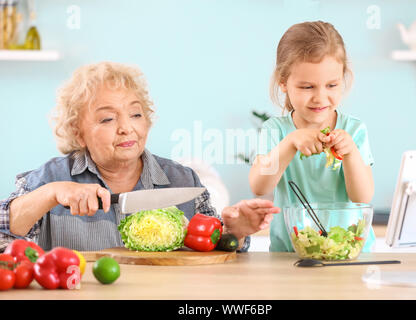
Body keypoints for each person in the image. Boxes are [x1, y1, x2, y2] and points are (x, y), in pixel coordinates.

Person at [0, 61, 280, 252]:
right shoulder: (50, 179)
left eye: (136, 114)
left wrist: (236, 231)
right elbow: (4, 236)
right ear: (78, 132)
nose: (126, 128)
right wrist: (51, 194)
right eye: (107, 119)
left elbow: (215, 247)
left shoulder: (182, 181)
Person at [249, 21, 375, 252]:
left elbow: (362, 196)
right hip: (291, 254)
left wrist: (350, 153)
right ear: (283, 82)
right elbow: (259, 185)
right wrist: (290, 143)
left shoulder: (355, 130)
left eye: (332, 85)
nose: (320, 97)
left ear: (343, 79)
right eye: (307, 87)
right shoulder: (275, 131)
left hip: (350, 253)